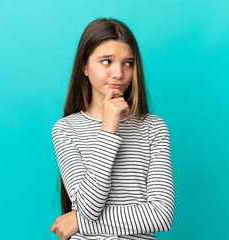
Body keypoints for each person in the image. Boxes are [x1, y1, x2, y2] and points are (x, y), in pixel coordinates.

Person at [50, 17, 174, 240]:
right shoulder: (65, 129)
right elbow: (89, 207)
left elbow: (161, 214)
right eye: (106, 61)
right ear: (85, 67)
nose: (118, 73)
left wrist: (77, 221)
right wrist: (108, 129)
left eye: (128, 63)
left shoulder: (153, 128)